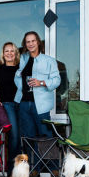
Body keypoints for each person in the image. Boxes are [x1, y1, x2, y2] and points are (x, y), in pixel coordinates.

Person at [14, 31, 61, 168]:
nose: (30, 44)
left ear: (38, 42)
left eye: (33, 41)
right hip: (24, 103)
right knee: (29, 137)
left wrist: (41, 82)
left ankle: (54, 167)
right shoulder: (22, 58)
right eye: (28, 42)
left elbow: (57, 80)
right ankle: (35, 167)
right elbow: (8, 60)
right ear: (25, 44)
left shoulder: (49, 60)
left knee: (46, 136)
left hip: (41, 104)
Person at [0, 42, 20, 172]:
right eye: (7, 51)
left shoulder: (20, 67)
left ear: (16, 53)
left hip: (21, 104)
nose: (9, 53)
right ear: (3, 53)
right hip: (6, 104)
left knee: (22, 135)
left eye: (12, 51)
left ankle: (22, 167)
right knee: (14, 135)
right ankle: (12, 168)